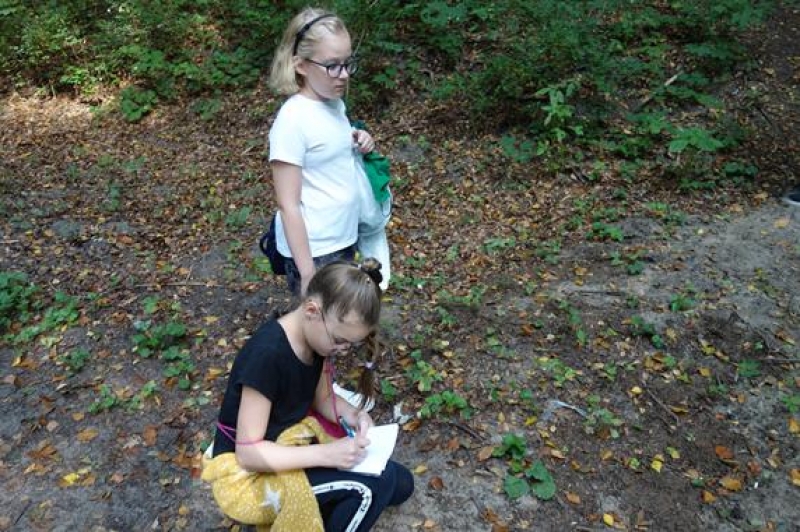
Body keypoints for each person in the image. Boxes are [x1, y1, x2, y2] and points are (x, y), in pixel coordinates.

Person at [202, 258, 413, 531]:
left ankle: (328, 504)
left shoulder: (315, 340)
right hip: (248, 474)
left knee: (401, 484)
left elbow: (322, 399)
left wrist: (353, 414)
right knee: (371, 490)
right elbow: (248, 454)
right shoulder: (267, 356)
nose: (343, 350)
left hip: (290, 444)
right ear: (312, 310)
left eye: (350, 344)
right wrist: (327, 455)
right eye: (340, 340)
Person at [268, 7, 376, 297]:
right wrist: (307, 273)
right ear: (301, 65)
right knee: (322, 321)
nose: (344, 75)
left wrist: (360, 139)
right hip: (315, 250)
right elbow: (288, 205)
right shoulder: (292, 121)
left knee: (340, 318)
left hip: (344, 237)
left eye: (348, 63)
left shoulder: (334, 104)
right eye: (332, 66)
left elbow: (330, 149)